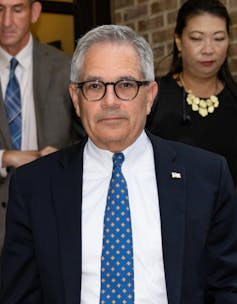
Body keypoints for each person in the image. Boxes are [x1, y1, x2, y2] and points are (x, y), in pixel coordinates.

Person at [1, 24, 237, 304]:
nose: (110, 101)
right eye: (94, 86)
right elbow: (19, 296)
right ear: (76, 99)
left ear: (149, 96)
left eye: (126, 85)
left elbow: (226, 287)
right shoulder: (33, 186)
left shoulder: (206, 177)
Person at [0, 0, 84, 251]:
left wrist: (66, 158)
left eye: (17, 9)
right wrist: (5, 157)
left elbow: (92, 139)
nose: (6, 21)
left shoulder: (67, 68)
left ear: (34, 12)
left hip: (54, 214)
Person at [146, 0, 237, 190]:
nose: (208, 49)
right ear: (179, 41)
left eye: (218, 38)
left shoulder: (233, 99)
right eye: (197, 38)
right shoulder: (153, 97)